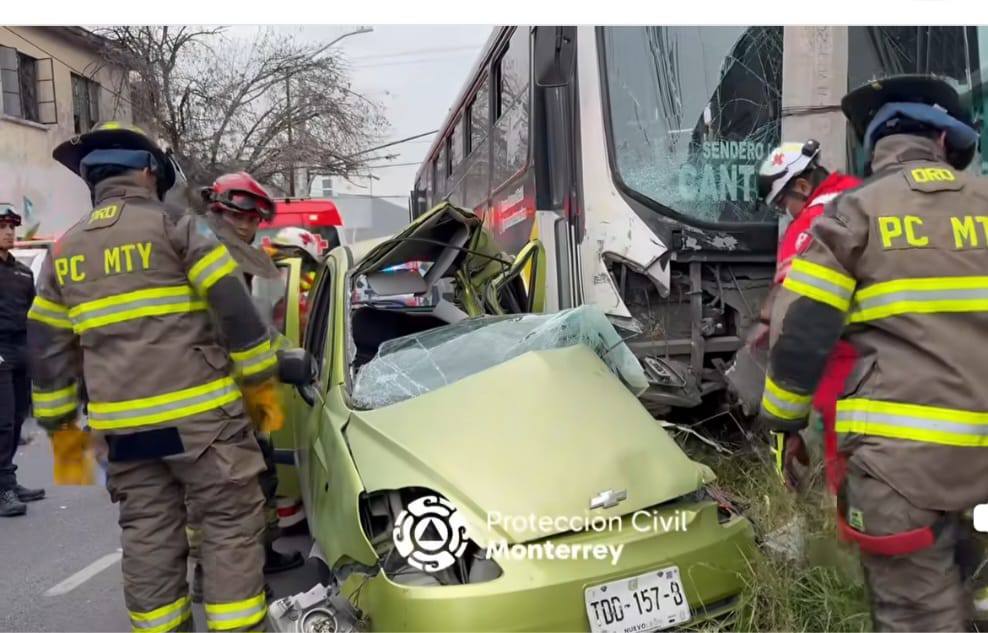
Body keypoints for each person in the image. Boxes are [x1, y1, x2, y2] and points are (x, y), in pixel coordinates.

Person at [30, 121, 282, 632]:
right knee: (229, 526)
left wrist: (66, 446)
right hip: (202, 426)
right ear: (149, 172)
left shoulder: (62, 251)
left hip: (125, 435)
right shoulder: (181, 228)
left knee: (146, 534)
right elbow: (237, 314)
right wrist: (264, 406)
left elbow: (48, 352)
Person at [758, 75, 988, 631]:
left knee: (919, 614)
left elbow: (799, 332)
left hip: (898, 475)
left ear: (875, 145)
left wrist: (784, 422)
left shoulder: (848, 218)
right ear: (943, 142)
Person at [195, 172, 305, 580]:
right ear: (219, 212)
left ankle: (261, 552)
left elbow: (257, 328)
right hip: (220, 395)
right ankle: (216, 574)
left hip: (248, 390)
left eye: (254, 219)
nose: (247, 225)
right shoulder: (211, 259)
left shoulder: (241, 262)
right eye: (239, 217)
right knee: (227, 491)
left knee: (262, 475)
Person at [753, 140, 861, 491]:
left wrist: (784, 424)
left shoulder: (811, 225)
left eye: (784, 204)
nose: (788, 213)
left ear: (802, 185)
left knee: (841, 474)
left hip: (842, 366)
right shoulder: (865, 195)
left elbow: (792, 318)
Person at [0, 203, 45, 517]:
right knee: (2, 422)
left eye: (12, 226)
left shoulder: (23, 272)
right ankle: (3, 488)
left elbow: (33, 315)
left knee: (17, 419)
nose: (8, 232)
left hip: (20, 350)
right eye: (3, 226)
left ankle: (8, 480)